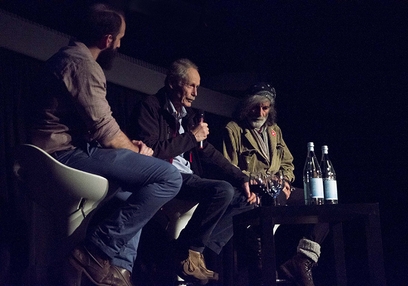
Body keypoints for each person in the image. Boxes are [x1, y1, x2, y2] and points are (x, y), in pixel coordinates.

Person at [28, 4, 182, 286]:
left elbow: (96, 127)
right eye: (120, 38)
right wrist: (136, 151)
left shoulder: (63, 58)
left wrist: (127, 146)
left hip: (55, 154)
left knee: (132, 193)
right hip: (62, 157)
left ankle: (119, 272)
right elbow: (108, 134)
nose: (120, 45)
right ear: (107, 40)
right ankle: (95, 252)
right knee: (168, 177)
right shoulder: (83, 65)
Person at [128, 58, 258, 285]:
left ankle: (195, 252)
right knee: (222, 190)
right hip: (165, 177)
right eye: (191, 86)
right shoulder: (150, 107)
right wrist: (191, 137)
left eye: (197, 87)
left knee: (246, 198)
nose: (196, 93)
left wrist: (242, 177)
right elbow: (151, 152)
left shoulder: (185, 117)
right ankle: (187, 250)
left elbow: (209, 152)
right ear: (172, 84)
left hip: (187, 178)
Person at [222, 82, 329, 286]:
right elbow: (230, 169)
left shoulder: (274, 130)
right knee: (273, 200)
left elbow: (288, 162)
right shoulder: (233, 130)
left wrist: (285, 179)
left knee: (320, 203)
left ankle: (303, 260)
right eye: (256, 107)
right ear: (247, 106)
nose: (260, 112)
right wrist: (263, 181)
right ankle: (260, 260)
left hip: (279, 188)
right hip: (255, 189)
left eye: (265, 107)